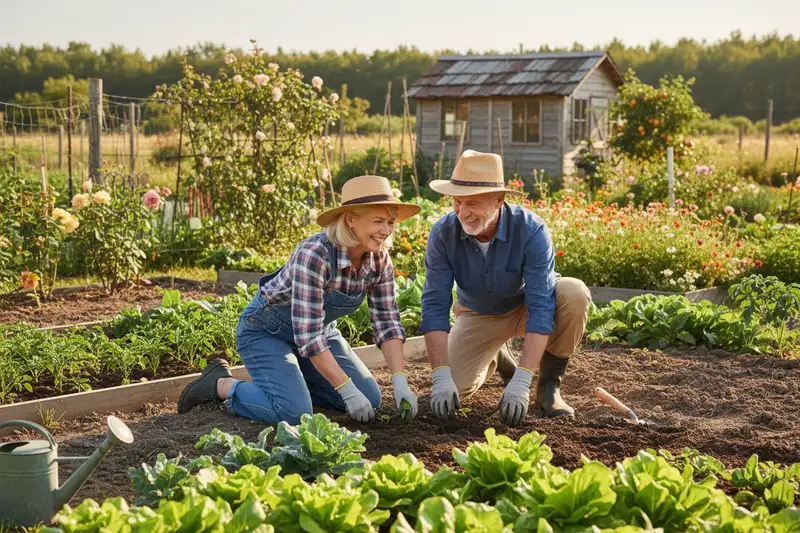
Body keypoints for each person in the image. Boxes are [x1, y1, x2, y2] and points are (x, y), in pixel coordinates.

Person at [178, 175, 421, 424]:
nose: (386, 230)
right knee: (294, 414)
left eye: (390, 222)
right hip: (267, 333)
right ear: (350, 219)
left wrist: (400, 380)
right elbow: (309, 337)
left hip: (318, 337)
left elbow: (387, 322)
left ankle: (294, 385)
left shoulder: (379, 260)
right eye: (378, 221)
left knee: (370, 399)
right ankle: (221, 384)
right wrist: (347, 390)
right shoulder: (316, 254)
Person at [420, 150, 592, 427]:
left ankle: (549, 388)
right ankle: (497, 354)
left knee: (574, 293)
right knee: (455, 388)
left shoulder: (531, 230)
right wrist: (440, 374)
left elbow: (541, 305)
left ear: (498, 200)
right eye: (457, 202)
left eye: (472, 203)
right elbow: (434, 305)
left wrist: (523, 379)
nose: (463, 212)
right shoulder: (443, 233)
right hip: (478, 314)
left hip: (524, 307)